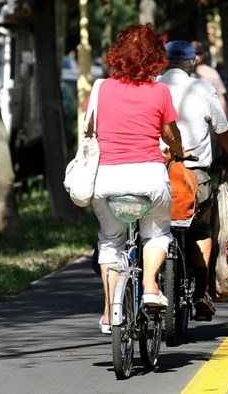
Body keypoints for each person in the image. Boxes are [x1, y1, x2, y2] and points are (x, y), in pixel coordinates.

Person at [90, 24, 185, 335]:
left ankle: (108, 312)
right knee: (157, 233)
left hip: (107, 180)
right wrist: (178, 150)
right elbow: (170, 134)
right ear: (156, 58)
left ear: (117, 56)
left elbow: (89, 130)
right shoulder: (160, 91)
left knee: (110, 242)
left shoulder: (100, 87)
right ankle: (148, 286)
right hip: (148, 178)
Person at [157, 40, 228, 321]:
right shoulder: (202, 89)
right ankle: (202, 292)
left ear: (164, 61)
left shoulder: (153, 87)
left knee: (152, 228)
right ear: (192, 63)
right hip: (195, 174)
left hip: (158, 173)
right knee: (202, 230)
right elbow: (223, 130)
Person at [191, 40, 228, 116]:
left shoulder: (212, 73)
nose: (195, 55)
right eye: (192, 52)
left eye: (198, 53)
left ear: (203, 54)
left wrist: (226, 121)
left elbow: (221, 97)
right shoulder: (182, 72)